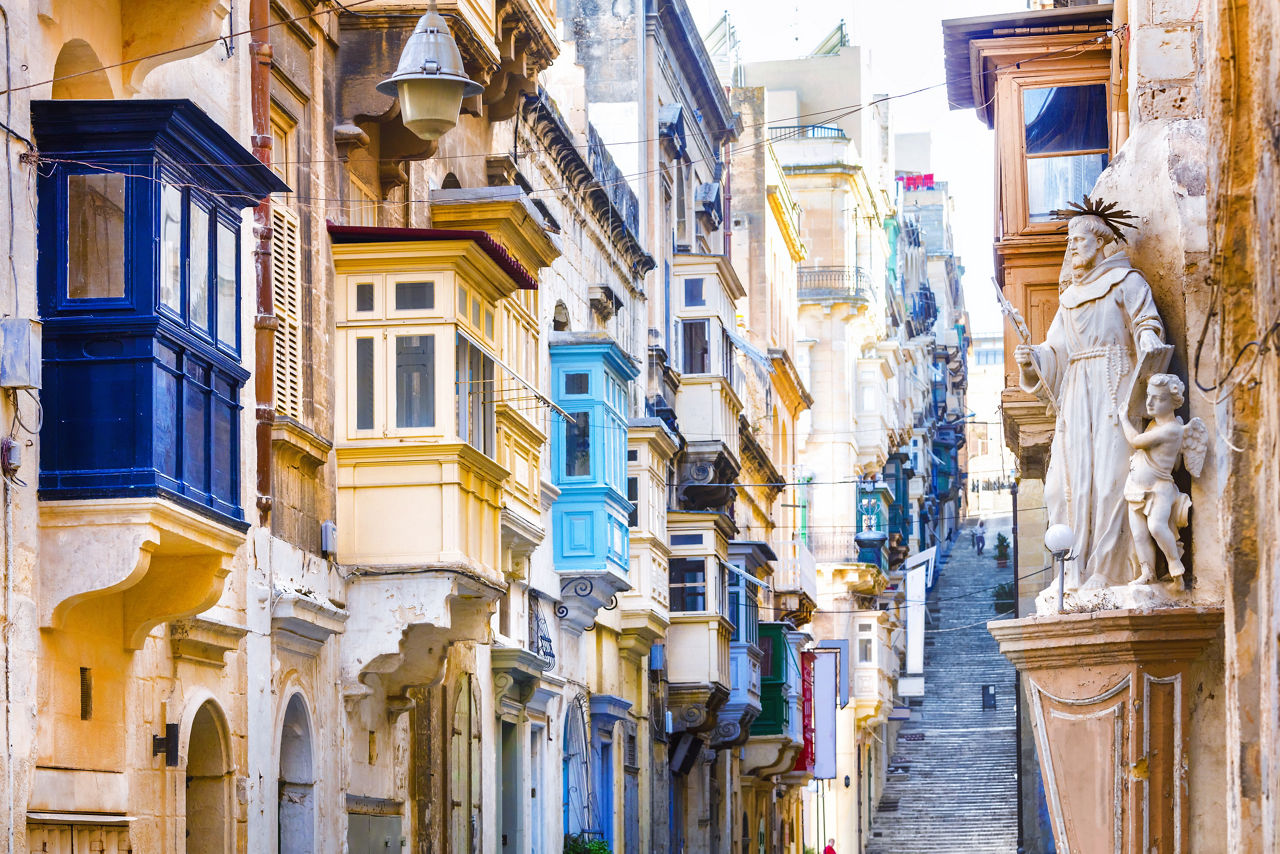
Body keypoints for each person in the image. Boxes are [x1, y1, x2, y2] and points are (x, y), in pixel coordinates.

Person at [1014, 206, 1167, 590]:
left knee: (1112, 475)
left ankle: (1108, 569)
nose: (1072, 250)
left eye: (1079, 241)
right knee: (1065, 482)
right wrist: (1032, 359)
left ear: (1100, 243)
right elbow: (1055, 352)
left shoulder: (1127, 282)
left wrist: (1147, 336)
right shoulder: (1068, 300)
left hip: (1115, 384)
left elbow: (1147, 323)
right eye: (1069, 243)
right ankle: (1072, 568)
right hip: (1077, 393)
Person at [1119, 374, 1207, 584]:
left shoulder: (1172, 429)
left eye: (1157, 399)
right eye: (1148, 396)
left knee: (1157, 527)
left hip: (1160, 489)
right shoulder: (1154, 425)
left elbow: (1136, 441)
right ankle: (1148, 573)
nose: (1149, 402)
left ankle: (1175, 564)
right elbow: (1175, 462)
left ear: (1172, 402)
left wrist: (1123, 417)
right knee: (1139, 535)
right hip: (1136, 488)